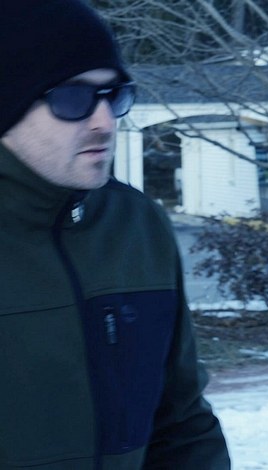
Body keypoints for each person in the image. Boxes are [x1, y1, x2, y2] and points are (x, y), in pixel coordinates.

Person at [0, 1, 230, 468]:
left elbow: (180, 422)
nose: (104, 121)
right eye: (72, 98)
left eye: (115, 95)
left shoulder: (137, 227)